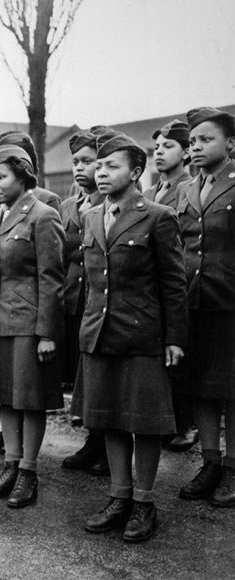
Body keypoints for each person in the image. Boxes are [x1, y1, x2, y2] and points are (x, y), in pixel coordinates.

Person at [77, 131, 187, 543]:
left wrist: (175, 339)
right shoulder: (91, 216)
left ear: (136, 172)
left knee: (144, 423)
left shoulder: (158, 216)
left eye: (112, 166)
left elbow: (174, 285)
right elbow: (92, 284)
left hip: (142, 335)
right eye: (98, 166)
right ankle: (118, 497)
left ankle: (144, 503)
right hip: (100, 334)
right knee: (109, 419)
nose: (101, 173)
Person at [0, 145, 65, 509]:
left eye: (0, 177)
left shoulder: (43, 216)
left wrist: (46, 333)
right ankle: (10, 464)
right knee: (5, 395)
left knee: (29, 399)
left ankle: (29, 471)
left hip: (27, 322)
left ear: (22, 176)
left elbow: (52, 280)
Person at [176, 107, 235, 508]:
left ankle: (232, 467)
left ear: (230, 144)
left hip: (230, 304)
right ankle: (210, 461)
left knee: (232, 390)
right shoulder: (185, 189)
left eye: (205, 139)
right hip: (193, 303)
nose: (196, 147)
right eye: (192, 141)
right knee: (202, 386)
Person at [142, 119, 196, 453]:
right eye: (157, 147)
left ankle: (186, 422)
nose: (159, 152)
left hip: (184, 279)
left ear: (187, 152)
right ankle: (165, 419)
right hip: (153, 283)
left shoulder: (189, 189)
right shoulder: (149, 193)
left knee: (182, 353)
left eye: (168, 146)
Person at [60, 130, 109, 476]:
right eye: (76, 161)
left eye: (88, 161)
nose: (80, 168)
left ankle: (106, 448)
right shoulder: (68, 205)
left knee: (102, 374)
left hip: (100, 300)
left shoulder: (108, 205)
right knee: (85, 374)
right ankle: (94, 441)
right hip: (74, 299)